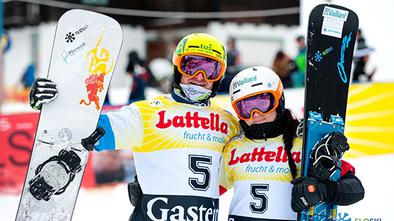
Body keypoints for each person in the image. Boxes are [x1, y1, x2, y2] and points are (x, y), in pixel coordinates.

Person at [29, 33, 240, 221]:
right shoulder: (149, 113)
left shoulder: (228, 123)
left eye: (210, 69)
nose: (199, 77)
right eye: (191, 66)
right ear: (177, 68)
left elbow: (252, 159)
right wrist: (53, 103)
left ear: (219, 76)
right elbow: (89, 128)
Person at [220, 66, 364, 220]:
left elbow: (355, 188)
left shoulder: (304, 143)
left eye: (263, 103)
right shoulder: (234, 148)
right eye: (245, 107)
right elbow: (206, 190)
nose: (256, 114)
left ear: (278, 99)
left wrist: (323, 190)